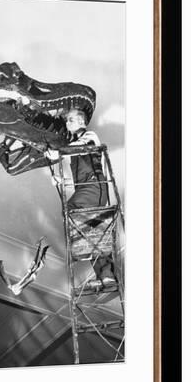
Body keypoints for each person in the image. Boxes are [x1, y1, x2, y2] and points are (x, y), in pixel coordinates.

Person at [46, 109, 117, 289]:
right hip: (87, 186)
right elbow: (77, 168)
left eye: (70, 120)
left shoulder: (89, 136)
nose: (67, 123)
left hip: (94, 186)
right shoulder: (74, 144)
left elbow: (78, 148)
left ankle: (106, 271)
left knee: (72, 210)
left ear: (81, 122)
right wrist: (62, 180)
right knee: (89, 230)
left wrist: (58, 153)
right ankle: (106, 275)